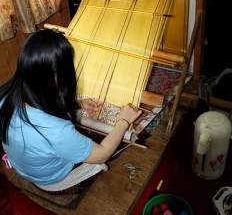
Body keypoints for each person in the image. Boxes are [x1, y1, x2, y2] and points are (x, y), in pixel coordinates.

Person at [0, 29, 142, 194]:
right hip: (53, 181)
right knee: (109, 140)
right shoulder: (56, 131)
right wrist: (124, 121)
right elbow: (102, 154)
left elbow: (40, 105)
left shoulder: (6, 96)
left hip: (26, 168)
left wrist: (75, 104)